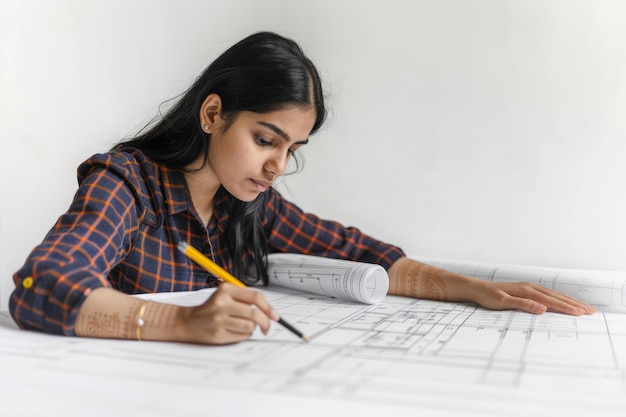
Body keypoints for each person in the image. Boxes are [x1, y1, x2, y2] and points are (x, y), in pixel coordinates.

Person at [9, 32, 594, 345]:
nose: (277, 167)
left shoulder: (252, 206)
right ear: (212, 114)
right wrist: (182, 324)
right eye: (266, 139)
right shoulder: (128, 183)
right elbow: (41, 286)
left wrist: (473, 289)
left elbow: (363, 253)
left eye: (292, 150)